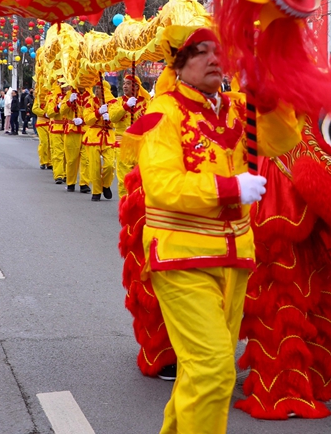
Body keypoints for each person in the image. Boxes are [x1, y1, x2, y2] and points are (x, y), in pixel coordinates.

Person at [126, 29, 266, 433]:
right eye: (199, 52)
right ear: (180, 64)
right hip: (183, 258)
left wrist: (272, 93)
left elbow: (281, 140)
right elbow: (163, 186)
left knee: (197, 370)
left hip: (235, 258)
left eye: (217, 51)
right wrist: (230, 188)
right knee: (213, 370)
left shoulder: (240, 108)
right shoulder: (163, 114)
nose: (212, 59)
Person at [110, 73, 150, 200]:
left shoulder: (146, 103)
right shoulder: (119, 102)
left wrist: (138, 129)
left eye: (128, 83)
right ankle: (126, 204)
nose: (125, 86)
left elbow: (151, 120)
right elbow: (113, 117)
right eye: (124, 83)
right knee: (124, 178)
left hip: (140, 145)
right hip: (123, 144)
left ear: (137, 87)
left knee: (141, 176)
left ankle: (138, 202)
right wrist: (126, 106)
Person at [80, 79, 118, 200]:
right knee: (94, 166)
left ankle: (106, 184)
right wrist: (98, 112)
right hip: (93, 136)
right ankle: (96, 191)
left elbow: (118, 122)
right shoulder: (90, 102)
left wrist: (110, 119)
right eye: (96, 88)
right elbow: (87, 119)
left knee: (110, 165)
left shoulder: (114, 103)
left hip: (108, 137)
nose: (97, 91)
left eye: (100, 88)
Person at [57, 84, 88, 192]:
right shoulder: (69, 95)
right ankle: (71, 182)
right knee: (71, 159)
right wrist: (69, 101)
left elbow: (92, 112)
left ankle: (84, 183)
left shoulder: (90, 96)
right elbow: (62, 111)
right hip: (72, 130)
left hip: (86, 130)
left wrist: (83, 120)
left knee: (86, 159)